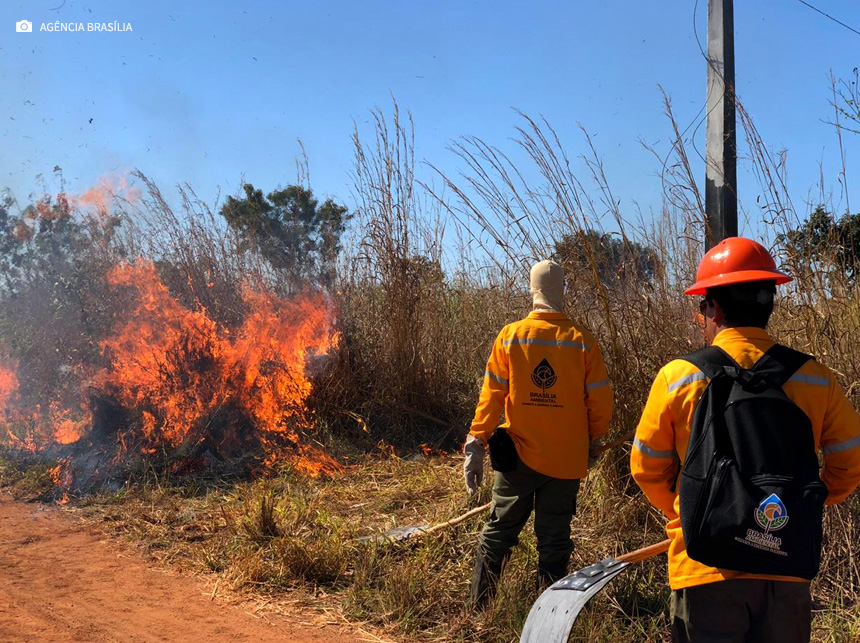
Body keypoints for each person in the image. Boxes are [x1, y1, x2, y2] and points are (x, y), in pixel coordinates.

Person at [631, 237, 860, 642]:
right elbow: (849, 464)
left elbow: (647, 469)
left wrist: (693, 511)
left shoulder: (679, 377)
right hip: (787, 559)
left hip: (705, 566)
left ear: (713, 308)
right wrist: (792, 507)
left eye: (702, 306)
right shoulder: (815, 378)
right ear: (769, 303)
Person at [463, 259, 613, 608]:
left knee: (499, 532)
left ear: (531, 291)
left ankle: (479, 608)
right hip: (566, 460)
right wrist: (593, 439)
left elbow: (492, 396)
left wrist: (477, 441)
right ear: (563, 291)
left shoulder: (511, 337)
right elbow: (601, 403)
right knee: (555, 537)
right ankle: (548, 614)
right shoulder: (583, 342)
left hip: (517, 459)